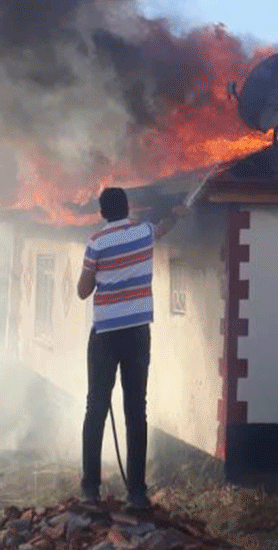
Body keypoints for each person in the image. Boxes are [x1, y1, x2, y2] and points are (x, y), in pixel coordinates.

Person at [76, 187, 187, 509]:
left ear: (102, 213)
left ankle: (90, 489)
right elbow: (164, 227)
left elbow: (83, 291)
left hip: (106, 335)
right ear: (128, 208)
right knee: (136, 410)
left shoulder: (96, 242)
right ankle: (137, 492)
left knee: (96, 409)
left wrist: (98, 274)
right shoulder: (143, 233)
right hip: (138, 333)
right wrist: (177, 214)